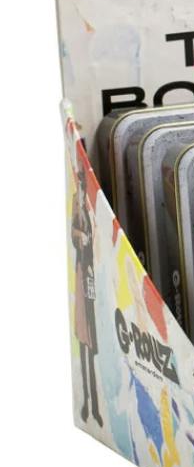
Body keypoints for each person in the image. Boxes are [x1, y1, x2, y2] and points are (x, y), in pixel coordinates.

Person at [71, 166, 102, 427]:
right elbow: (75, 233)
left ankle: (95, 406)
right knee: (82, 340)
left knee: (91, 344)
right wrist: (82, 236)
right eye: (81, 182)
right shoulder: (76, 204)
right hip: (82, 274)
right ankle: (86, 403)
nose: (82, 186)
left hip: (91, 274)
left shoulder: (91, 205)